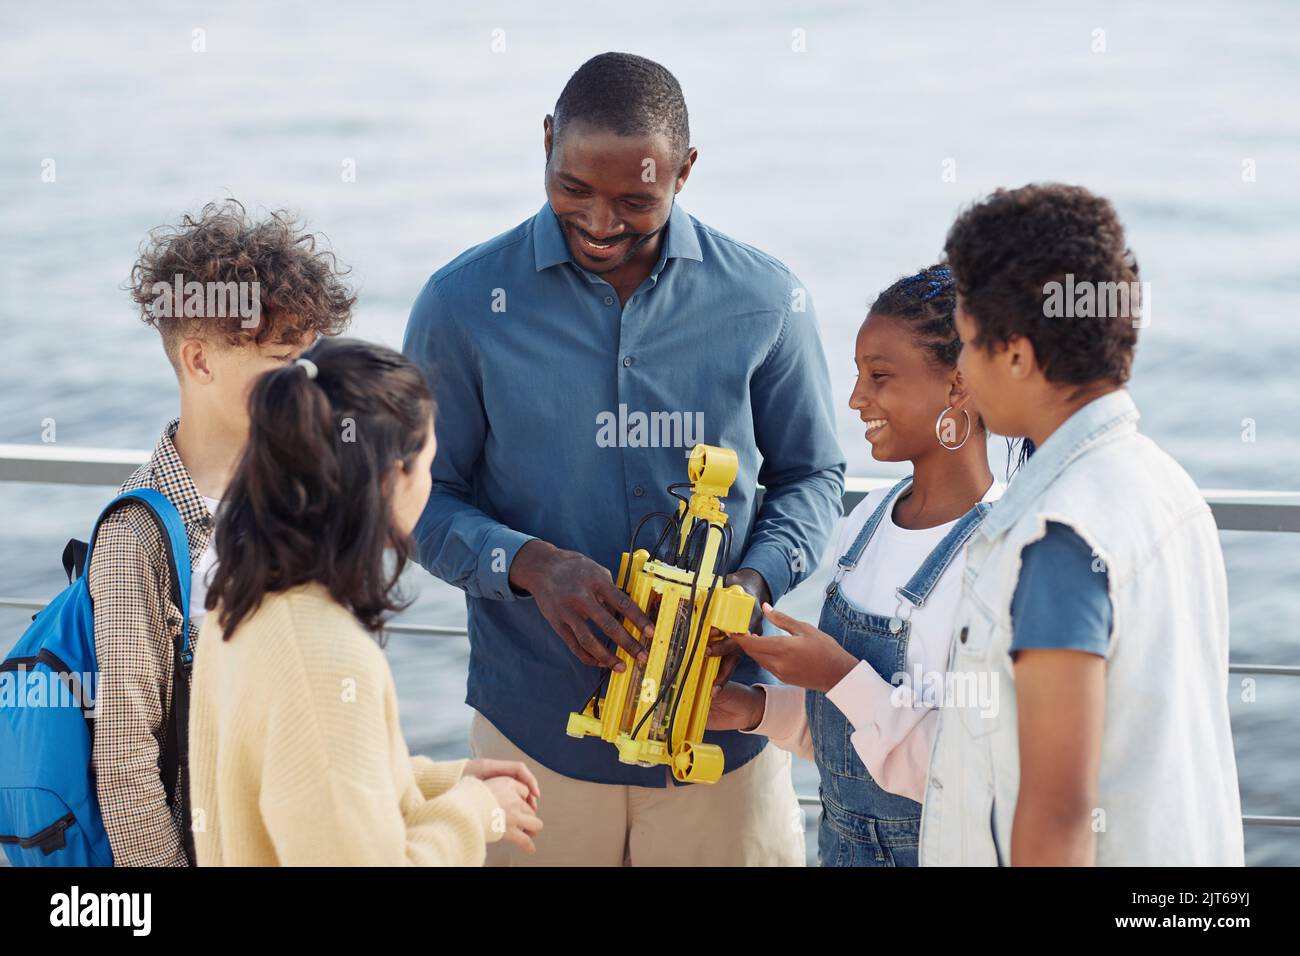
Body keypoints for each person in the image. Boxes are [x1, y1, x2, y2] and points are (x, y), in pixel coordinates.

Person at [401, 52, 845, 866]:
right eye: (574, 189)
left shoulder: (766, 301)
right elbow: (419, 499)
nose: (602, 222)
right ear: (544, 143)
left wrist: (753, 584)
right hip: (532, 745)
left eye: (636, 201)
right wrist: (530, 565)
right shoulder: (460, 304)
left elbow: (813, 476)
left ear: (686, 172)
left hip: (722, 733)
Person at [922, 182, 1244, 865]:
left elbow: (1059, 813)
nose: (961, 368)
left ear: (1016, 355)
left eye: (968, 343)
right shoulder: (1167, 486)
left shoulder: (1060, 540)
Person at [189, 337, 542, 865]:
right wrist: (473, 810)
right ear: (386, 481)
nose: (430, 481)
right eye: (426, 461)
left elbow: (308, 783)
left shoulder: (241, 597)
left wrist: (442, 781)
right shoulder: (323, 659)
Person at [708, 264, 1004, 866]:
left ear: (959, 387)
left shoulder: (1003, 554)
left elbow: (975, 783)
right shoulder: (865, 522)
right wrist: (757, 708)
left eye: (880, 377)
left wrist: (839, 673)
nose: (854, 398)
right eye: (857, 375)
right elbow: (854, 737)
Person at [94, 200, 353, 865]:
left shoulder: (303, 494)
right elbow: (127, 774)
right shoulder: (140, 539)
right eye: (281, 365)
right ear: (200, 361)